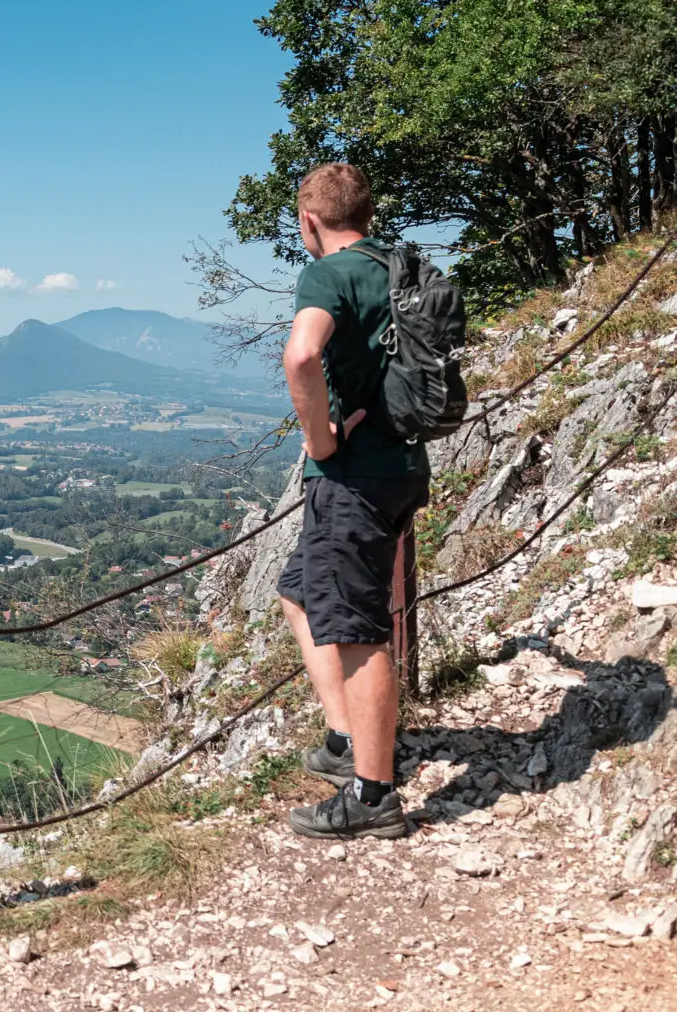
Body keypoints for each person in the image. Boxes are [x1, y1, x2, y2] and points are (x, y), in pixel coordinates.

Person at [277, 163, 429, 840]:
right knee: (301, 592)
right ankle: (345, 741)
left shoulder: (327, 274)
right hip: (401, 466)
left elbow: (301, 357)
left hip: (353, 479)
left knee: (358, 631)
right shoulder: (396, 267)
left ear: (309, 221)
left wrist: (322, 441)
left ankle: (372, 798)